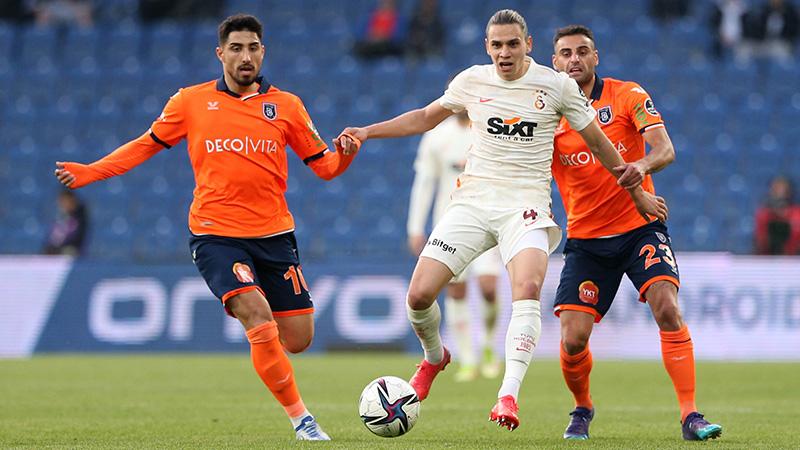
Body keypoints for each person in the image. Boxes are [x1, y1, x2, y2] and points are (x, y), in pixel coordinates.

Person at [339, 9, 666, 431]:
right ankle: (436, 358)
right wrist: (367, 131)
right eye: (497, 45)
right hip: (472, 203)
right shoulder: (471, 81)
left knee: (525, 289)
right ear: (487, 47)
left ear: (528, 44)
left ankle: (507, 394)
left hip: (525, 207)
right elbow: (423, 118)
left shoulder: (556, 85)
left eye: (513, 43)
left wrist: (637, 191)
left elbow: (601, 146)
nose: (505, 52)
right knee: (419, 297)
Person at [53, 14, 360, 441]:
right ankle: (302, 421)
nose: (245, 56)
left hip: (274, 236)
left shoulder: (286, 106)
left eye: (253, 47)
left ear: (263, 51)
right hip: (215, 233)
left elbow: (325, 167)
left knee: (299, 338)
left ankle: (266, 343)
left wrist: (346, 154)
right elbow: (145, 145)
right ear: (221, 53)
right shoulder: (190, 102)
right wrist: (93, 172)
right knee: (255, 311)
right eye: (236, 48)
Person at [550, 24, 722, 441]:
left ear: (596, 57)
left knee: (667, 307)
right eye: (565, 53)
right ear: (554, 62)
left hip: (639, 229)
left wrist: (640, 169)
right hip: (587, 240)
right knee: (573, 340)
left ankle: (690, 415)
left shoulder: (627, 95)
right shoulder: (546, 115)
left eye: (582, 51)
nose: (574, 59)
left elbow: (665, 148)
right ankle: (582, 408)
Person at [407, 110, 502, 382]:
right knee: (456, 292)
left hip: (486, 221)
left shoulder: (488, 128)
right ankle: (468, 359)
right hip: (449, 223)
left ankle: (488, 346)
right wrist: (415, 227)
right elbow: (424, 183)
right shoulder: (437, 135)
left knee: (488, 288)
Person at [755, 175, 800, 254]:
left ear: (789, 192)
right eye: (776, 190)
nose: (780, 193)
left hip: (794, 259)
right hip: (769, 259)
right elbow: (761, 241)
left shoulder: (797, 213)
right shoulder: (764, 214)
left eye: (783, 190)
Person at [43, 189, 88, 256]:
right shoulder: (59, 216)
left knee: (69, 252)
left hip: (72, 249)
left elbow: (77, 238)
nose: (63, 204)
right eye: (62, 201)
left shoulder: (80, 217)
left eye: (66, 201)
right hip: (57, 248)